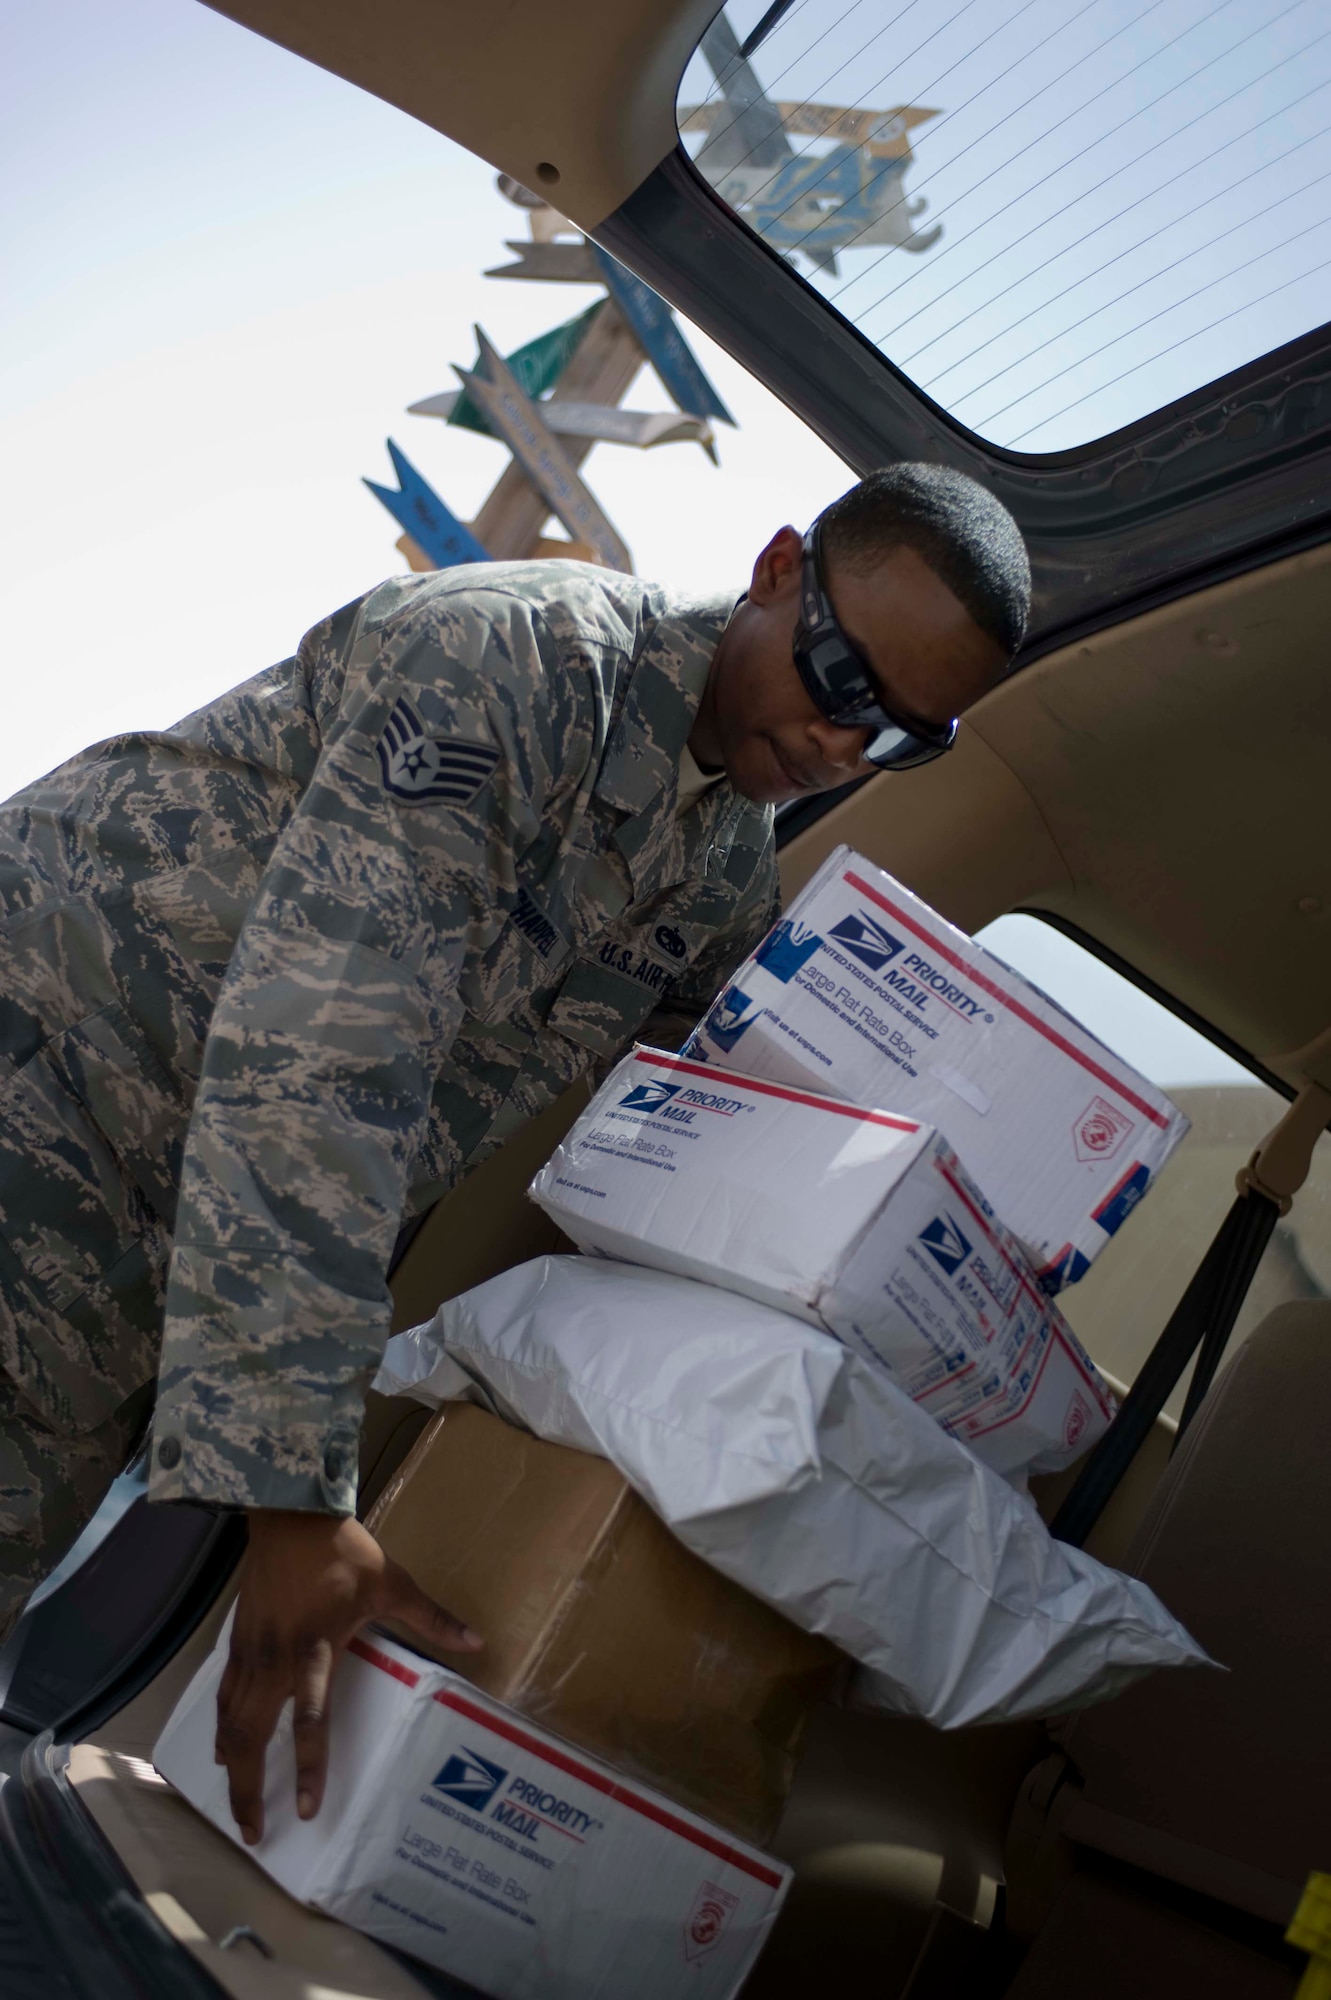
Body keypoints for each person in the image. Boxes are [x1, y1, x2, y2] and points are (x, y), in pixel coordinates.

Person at [0, 462, 1029, 1837]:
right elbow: (326, 1054)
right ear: (778, 565)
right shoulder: (513, 660)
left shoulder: (719, 881)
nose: (845, 746)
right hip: (44, 1073)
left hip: (132, 1255)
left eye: (901, 737)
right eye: (843, 679)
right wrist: (292, 1499)